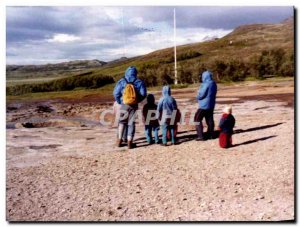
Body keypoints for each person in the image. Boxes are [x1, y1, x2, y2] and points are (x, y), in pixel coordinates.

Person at [113, 66, 147, 149]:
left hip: (124, 104)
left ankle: (119, 141)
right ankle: (129, 142)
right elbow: (143, 94)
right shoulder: (139, 82)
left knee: (122, 122)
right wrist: (136, 100)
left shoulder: (122, 81)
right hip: (133, 105)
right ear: (135, 73)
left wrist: (120, 101)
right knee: (131, 123)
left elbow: (115, 93)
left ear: (126, 72)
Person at [194, 70, 217, 141]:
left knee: (197, 119)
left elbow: (201, 94)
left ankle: (200, 135)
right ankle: (211, 134)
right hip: (211, 104)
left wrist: (197, 96)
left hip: (204, 105)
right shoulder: (213, 83)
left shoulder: (206, 84)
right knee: (209, 119)